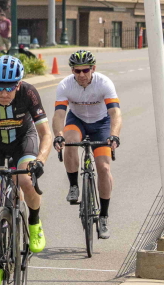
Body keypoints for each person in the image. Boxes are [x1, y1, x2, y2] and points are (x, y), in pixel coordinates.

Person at [0, 55, 51, 274]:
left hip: (23, 141)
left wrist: (40, 160)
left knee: (25, 180)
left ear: (19, 84)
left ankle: (34, 222)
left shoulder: (29, 93)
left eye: (10, 88)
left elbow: (45, 133)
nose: (4, 93)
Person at [52, 49, 121, 238]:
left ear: (93, 69)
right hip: (78, 121)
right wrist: (58, 135)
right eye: (77, 71)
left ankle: (104, 216)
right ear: (72, 71)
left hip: (101, 123)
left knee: (104, 169)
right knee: (70, 141)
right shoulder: (65, 85)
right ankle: (74, 186)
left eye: (85, 70)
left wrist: (114, 135)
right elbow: (59, 115)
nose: (81, 75)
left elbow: (115, 113)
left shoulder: (104, 83)